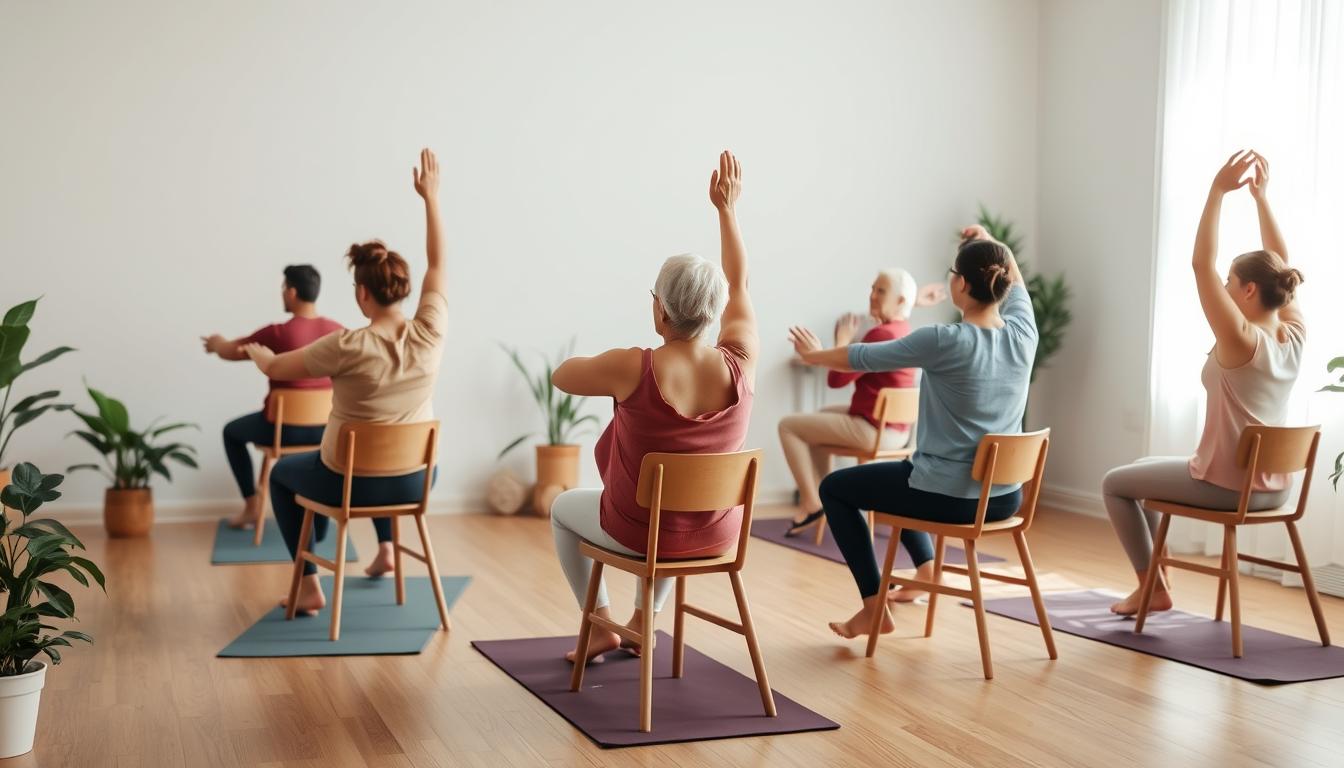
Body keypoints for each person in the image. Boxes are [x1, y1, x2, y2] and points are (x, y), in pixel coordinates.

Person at [549, 150, 756, 662]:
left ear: (659, 309)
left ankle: (598, 626)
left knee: (562, 509)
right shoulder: (742, 360)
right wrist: (727, 212)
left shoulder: (631, 366)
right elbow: (742, 285)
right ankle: (644, 620)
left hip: (642, 532)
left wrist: (618, 368)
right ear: (712, 312)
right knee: (674, 497)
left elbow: (561, 375)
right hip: (716, 533)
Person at [788, 224, 1036, 639]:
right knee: (906, 472)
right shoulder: (1024, 332)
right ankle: (924, 567)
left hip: (953, 499)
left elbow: (864, 356)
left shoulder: (946, 340)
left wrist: (814, 355)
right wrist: (994, 242)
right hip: (1006, 497)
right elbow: (1014, 275)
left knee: (836, 488)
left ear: (959, 284)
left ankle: (872, 607)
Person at [241, 148, 447, 614]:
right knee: (387, 451)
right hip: (416, 482)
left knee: (282, 475)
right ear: (404, 288)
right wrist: (431, 199)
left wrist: (258, 355)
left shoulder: (346, 345)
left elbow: (277, 369)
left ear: (361, 292)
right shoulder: (431, 330)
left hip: (348, 483)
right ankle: (389, 549)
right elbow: (438, 264)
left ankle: (310, 583)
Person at [1101, 150, 1303, 616]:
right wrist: (1260, 200)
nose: (1226, 287)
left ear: (1250, 290)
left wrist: (1216, 191)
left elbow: (1199, 264)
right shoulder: (1292, 331)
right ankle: (1158, 580)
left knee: (1115, 484)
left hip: (1231, 486)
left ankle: (1149, 585)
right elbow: (1282, 265)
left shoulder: (1240, 338)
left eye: (1232, 282)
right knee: (1143, 465)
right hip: (1277, 487)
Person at [778, 271, 946, 600]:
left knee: (789, 425)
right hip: (896, 433)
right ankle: (820, 499)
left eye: (879, 290)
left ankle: (813, 500)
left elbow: (836, 382)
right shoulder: (903, 328)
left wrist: (842, 341)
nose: (871, 294)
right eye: (871, 287)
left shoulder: (880, 332)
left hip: (871, 430)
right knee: (816, 420)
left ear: (899, 301)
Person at [202, 265, 343, 530]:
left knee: (231, 433)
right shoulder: (338, 332)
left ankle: (252, 505)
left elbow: (231, 351)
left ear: (291, 292)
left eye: (283, 289)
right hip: (326, 432)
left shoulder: (277, 333)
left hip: (283, 430)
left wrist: (217, 343)